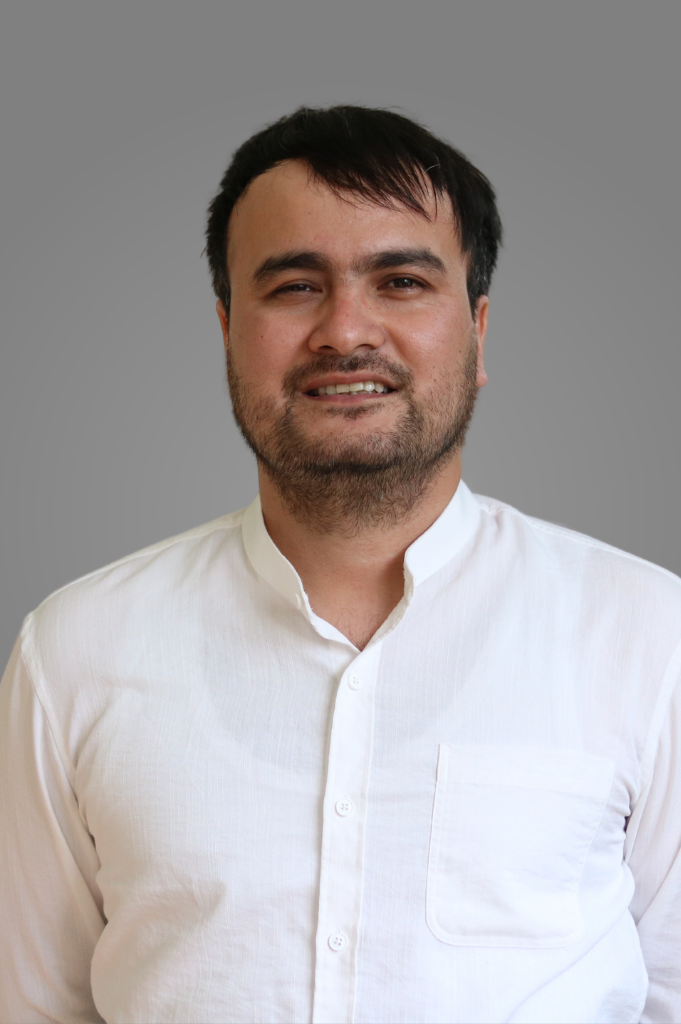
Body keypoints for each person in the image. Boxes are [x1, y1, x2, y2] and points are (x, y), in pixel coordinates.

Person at [0, 105, 679, 1024]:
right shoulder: (76, 649)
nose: (345, 331)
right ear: (226, 329)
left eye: (400, 281)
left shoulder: (645, 634)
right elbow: (36, 1008)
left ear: (478, 330)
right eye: (293, 286)